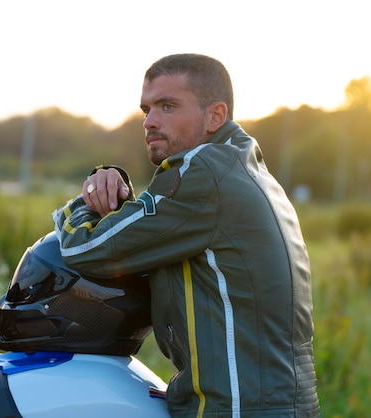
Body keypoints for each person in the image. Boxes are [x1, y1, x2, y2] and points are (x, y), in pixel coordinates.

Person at [53, 53, 320, 417]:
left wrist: (85, 202)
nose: (149, 121)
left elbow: (87, 248)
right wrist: (113, 185)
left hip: (236, 408)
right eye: (146, 109)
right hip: (273, 402)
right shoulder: (240, 165)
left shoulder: (204, 171)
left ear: (215, 116)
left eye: (167, 106)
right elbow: (152, 233)